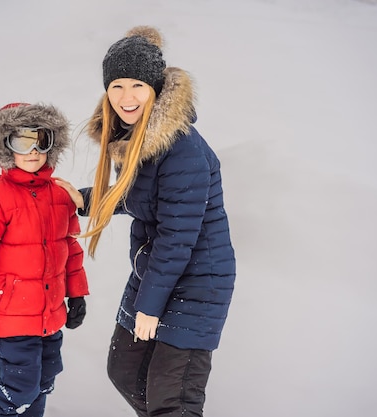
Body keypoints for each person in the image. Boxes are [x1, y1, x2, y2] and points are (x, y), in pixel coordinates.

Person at [76, 26, 236, 417]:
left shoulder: (182, 150)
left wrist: (149, 307)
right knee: (126, 371)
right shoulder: (136, 138)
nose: (126, 97)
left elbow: (176, 237)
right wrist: (83, 198)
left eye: (136, 86)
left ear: (155, 88)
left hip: (197, 283)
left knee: (172, 399)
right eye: (116, 86)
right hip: (157, 273)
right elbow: (139, 197)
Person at [0, 102, 89, 417]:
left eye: (41, 141)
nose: (33, 151)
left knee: (44, 381)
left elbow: (70, 249)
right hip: (12, 315)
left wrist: (77, 295)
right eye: (22, 142)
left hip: (50, 313)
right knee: (19, 388)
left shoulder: (60, 196)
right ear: (5, 147)